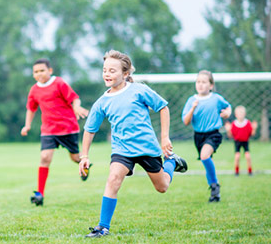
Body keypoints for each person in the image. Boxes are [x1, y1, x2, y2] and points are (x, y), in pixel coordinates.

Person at [79, 50, 188, 238]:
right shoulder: (102, 102)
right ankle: (103, 227)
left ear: (126, 73)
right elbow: (89, 129)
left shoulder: (139, 90)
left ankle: (171, 163)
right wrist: (84, 156)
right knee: (113, 178)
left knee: (162, 187)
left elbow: (163, 107)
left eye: (112, 71)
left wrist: (164, 138)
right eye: (105, 70)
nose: (107, 74)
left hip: (147, 148)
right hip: (122, 150)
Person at [20, 58, 90, 206]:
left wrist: (76, 107)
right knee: (45, 157)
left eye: (42, 70)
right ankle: (40, 194)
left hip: (68, 128)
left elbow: (74, 98)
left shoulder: (59, 83)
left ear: (49, 71)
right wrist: (27, 125)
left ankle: (84, 165)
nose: (39, 74)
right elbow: (31, 108)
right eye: (36, 72)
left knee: (75, 157)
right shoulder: (34, 90)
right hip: (48, 130)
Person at [182, 70, 231, 202]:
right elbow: (186, 121)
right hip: (198, 136)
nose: (200, 84)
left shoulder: (216, 98)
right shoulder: (191, 100)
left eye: (204, 82)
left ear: (211, 85)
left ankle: (214, 185)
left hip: (213, 134)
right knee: (206, 160)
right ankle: (215, 191)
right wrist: (192, 109)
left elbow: (228, 107)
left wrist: (227, 113)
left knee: (205, 156)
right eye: (198, 82)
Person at [224, 105, 257, 176]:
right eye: (239, 114)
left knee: (248, 156)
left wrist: (254, 128)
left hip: (245, 142)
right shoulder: (234, 124)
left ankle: (250, 171)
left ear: (244, 114)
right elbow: (230, 136)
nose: (240, 115)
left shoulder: (247, 123)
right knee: (237, 156)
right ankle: (236, 171)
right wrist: (228, 130)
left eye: (242, 114)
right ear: (236, 115)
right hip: (237, 142)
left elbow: (252, 134)